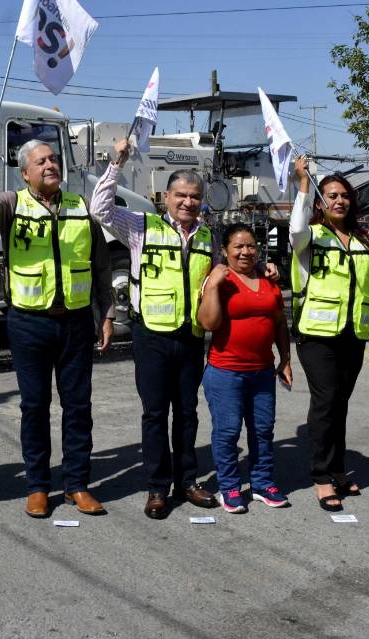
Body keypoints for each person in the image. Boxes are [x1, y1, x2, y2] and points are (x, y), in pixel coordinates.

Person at [0, 127, 114, 518]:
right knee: (35, 407)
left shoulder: (80, 206)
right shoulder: (10, 205)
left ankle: (76, 485)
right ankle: (37, 486)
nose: (51, 165)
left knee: (78, 406)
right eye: (41, 162)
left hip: (77, 323)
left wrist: (107, 314)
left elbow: (100, 265)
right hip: (29, 323)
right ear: (25, 173)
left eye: (53, 159)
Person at [88, 139, 227, 519]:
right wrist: (117, 163)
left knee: (187, 413)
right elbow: (99, 209)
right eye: (180, 195)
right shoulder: (140, 226)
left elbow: (220, 276)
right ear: (166, 197)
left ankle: (187, 480)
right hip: (151, 336)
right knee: (154, 414)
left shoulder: (207, 236)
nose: (188, 202)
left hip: (191, 337)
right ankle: (156, 487)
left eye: (194, 196)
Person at [290, 158, 369, 512]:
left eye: (344, 195)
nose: (339, 201)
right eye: (331, 195)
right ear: (320, 202)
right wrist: (303, 185)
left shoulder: (362, 240)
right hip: (316, 334)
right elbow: (295, 230)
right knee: (326, 401)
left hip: (353, 333)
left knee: (339, 405)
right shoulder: (310, 236)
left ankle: (337, 469)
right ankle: (320, 477)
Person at [198, 224, 292, 514]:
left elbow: (278, 323)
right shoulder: (219, 280)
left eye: (251, 245)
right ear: (225, 251)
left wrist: (285, 358)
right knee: (227, 432)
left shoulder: (268, 280)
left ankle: (263, 483)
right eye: (238, 246)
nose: (245, 251)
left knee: (263, 431)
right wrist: (213, 284)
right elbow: (208, 324)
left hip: (262, 371)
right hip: (226, 372)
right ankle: (230, 487)